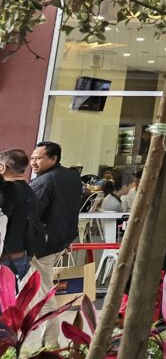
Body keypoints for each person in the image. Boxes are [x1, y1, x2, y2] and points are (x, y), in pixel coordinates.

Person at [29, 141, 83, 349]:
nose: (33, 162)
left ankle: (50, 344)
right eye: (32, 158)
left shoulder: (44, 181)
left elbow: (30, 215)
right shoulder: (72, 177)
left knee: (43, 294)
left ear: (54, 159)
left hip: (41, 247)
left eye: (39, 158)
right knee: (34, 290)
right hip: (59, 241)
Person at [0, 149, 37, 288]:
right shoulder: (30, 190)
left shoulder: (6, 191)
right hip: (21, 256)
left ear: (3, 167)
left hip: (4, 257)